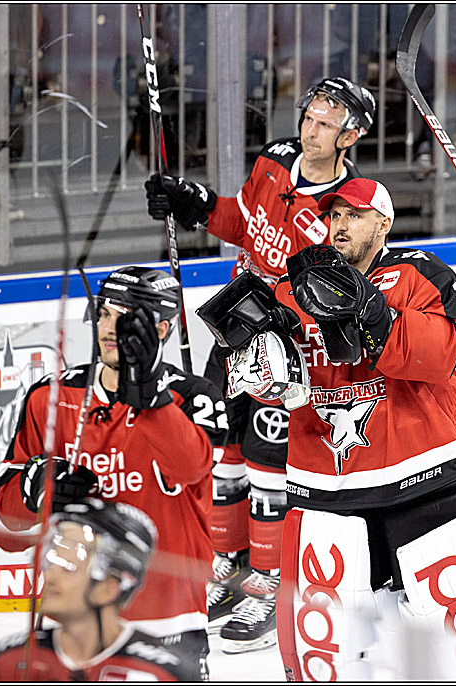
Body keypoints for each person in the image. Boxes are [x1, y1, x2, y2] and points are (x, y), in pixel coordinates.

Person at [196, 177, 456, 680]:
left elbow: (441, 356)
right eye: (334, 216)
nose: (340, 225)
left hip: (424, 479)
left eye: (354, 215)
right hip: (328, 491)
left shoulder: (421, 273)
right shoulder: (293, 291)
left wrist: (373, 311)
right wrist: (263, 375)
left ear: (383, 223)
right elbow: (279, 383)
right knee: (327, 652)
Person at [144, 76, 377, 653]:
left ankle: (270, 583)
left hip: (285, 346)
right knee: (226, 455)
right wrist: (195, 204)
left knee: (269, 465)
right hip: (236, 327)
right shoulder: (274, 160)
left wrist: (276, 328)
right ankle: (231, 564)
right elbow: (242, 223)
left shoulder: (346, 209)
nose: (310, 128)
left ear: (350, 135)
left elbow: (333, 291)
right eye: (309, 116)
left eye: (326, 123)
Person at [0, 266, 226, 678]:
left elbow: (191, 468)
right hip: (74, 628)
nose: (109, 327)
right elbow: (7, 527)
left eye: (126, 317)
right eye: (104, 313)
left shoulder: (194, 396)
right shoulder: (51, 397)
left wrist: (150, 396)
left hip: (168, 627)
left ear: (164, 327)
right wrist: (36, 489)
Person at [0, 499, 202, 681]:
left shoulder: (166, 675)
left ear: (108, 588)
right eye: (52, 559)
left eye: (69, 566)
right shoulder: (5, 662)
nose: (50, 576)